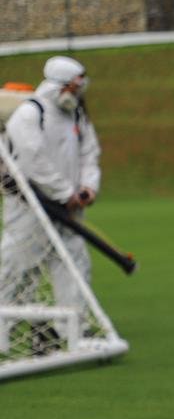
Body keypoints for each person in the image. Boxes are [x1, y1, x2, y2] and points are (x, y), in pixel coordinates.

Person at [0, 56, 101, 320]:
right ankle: (3, 332)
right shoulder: (30, 113)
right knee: (17, 270)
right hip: (30, 210)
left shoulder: (77, 114)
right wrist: (65, 193)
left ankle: (74, 328)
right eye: (73, 88)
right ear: (59, 85)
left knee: (74, 267)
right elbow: (34, 160)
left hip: (68, 210)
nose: (77, 94)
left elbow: (89, 153)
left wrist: (88, 187)